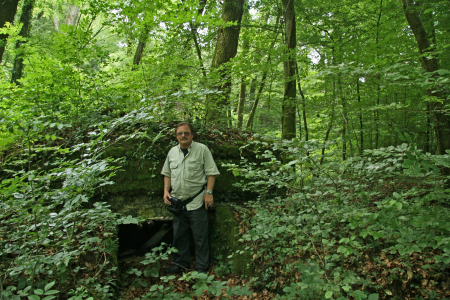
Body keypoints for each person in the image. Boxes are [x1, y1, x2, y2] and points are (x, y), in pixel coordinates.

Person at [161, 122, 220, 274]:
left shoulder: (202, 150)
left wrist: (209, 193)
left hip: (197, 201)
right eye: (180, 133)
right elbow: (167, 173)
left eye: (186, 133)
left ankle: (201, 268)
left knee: (200, 237)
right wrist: (166, 190)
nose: (183, 136)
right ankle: (180, 265)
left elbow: (211, 173)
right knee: (179, 237)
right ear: (176, 136)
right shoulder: (172, 152)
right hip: (177, 202)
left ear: (192, 135)